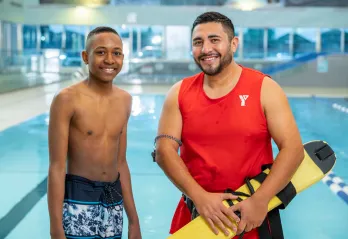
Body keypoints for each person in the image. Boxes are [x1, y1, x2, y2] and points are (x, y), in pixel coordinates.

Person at [154, 12, 304, 239]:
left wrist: (260, 200)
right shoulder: (179, 93)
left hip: (252, 216)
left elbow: (293, 149)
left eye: (214, 40)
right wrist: (200, 198)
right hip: (196, 216)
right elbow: (165, 151)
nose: (205, 49)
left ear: (233, 44)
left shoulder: (264, 88)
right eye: (198, 42)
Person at [47, 26, 141, 239]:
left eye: (116, 53)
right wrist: (55, 228)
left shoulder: (125, 100)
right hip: (78, 197)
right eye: (100, 52)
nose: (109, 59)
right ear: (85, 57)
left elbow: (121, 163)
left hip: (113, 198)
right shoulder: (67, 99)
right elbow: (56, 166)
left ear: (123, 58)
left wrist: (134, 221)